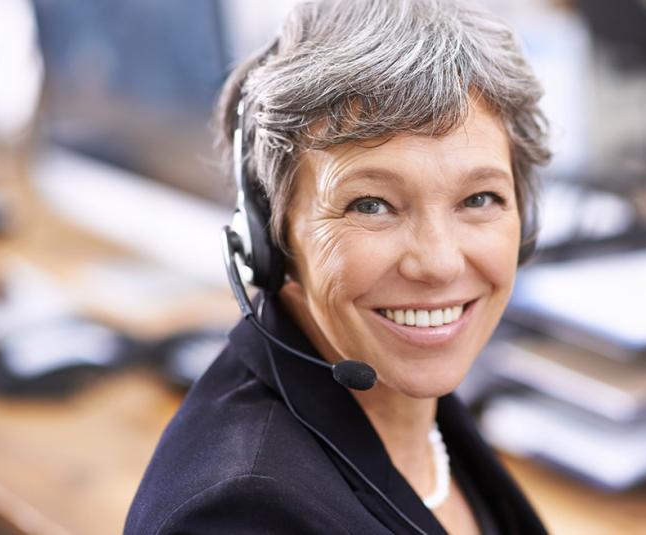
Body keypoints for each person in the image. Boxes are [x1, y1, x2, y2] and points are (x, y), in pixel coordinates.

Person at [125, 0, 550, 533]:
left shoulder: (411, 408)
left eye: (480, 199)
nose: (439, 263)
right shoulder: (242, 514)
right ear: (270, 235)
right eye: (371, 204)